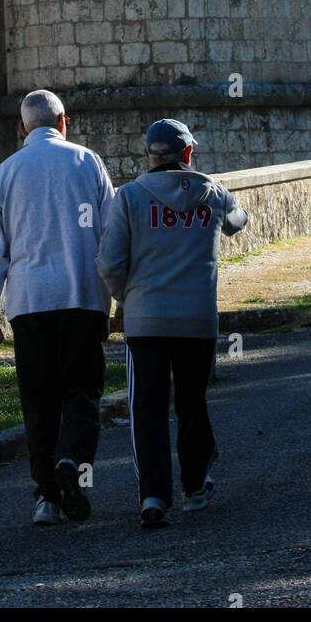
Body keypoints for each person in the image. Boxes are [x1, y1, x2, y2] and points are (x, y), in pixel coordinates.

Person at [0, 89, 115, 525]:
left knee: (38, 401)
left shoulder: (6, 172)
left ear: (22, 128)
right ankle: (72, 461)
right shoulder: (88, 162)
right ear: (64, 121)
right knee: (83, 395)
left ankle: (46, 498)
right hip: (84, 299)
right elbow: (112, 238)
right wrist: (124, 297)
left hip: (30, 303)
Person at [97, 118, 248, 527]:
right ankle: (195, 486)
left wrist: (124, 295)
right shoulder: (213, 192)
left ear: (148, 155)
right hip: (197, 318)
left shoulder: (128, 196)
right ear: (188, 153)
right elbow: (240, 221)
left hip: (146, 320)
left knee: (146, 407)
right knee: (192, 402)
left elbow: (110, 261)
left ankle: (153, 496)